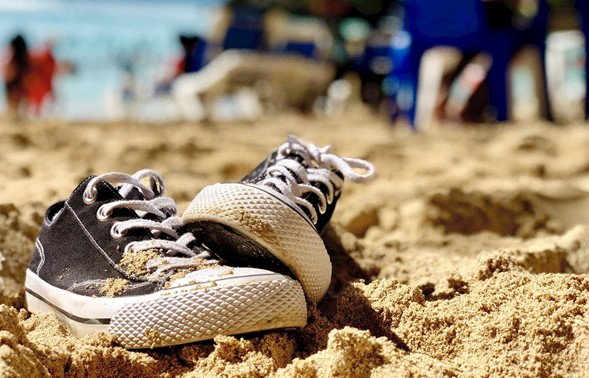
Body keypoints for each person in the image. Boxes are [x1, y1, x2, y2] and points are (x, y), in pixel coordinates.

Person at [2, 34, 30, 119]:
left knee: (12, 105)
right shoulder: (25, 60)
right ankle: (14, 114)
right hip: (17, 84)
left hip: (12, 83)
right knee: (16, 105)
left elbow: (8, 74)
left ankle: (13, 114)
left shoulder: (11, 59)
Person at [27, 39, 57, 117]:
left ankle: (36, 115)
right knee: (36, 104)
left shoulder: (47, 58)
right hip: (39, 83)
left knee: (36, 104)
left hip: (39, 83)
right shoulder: (47, 58)